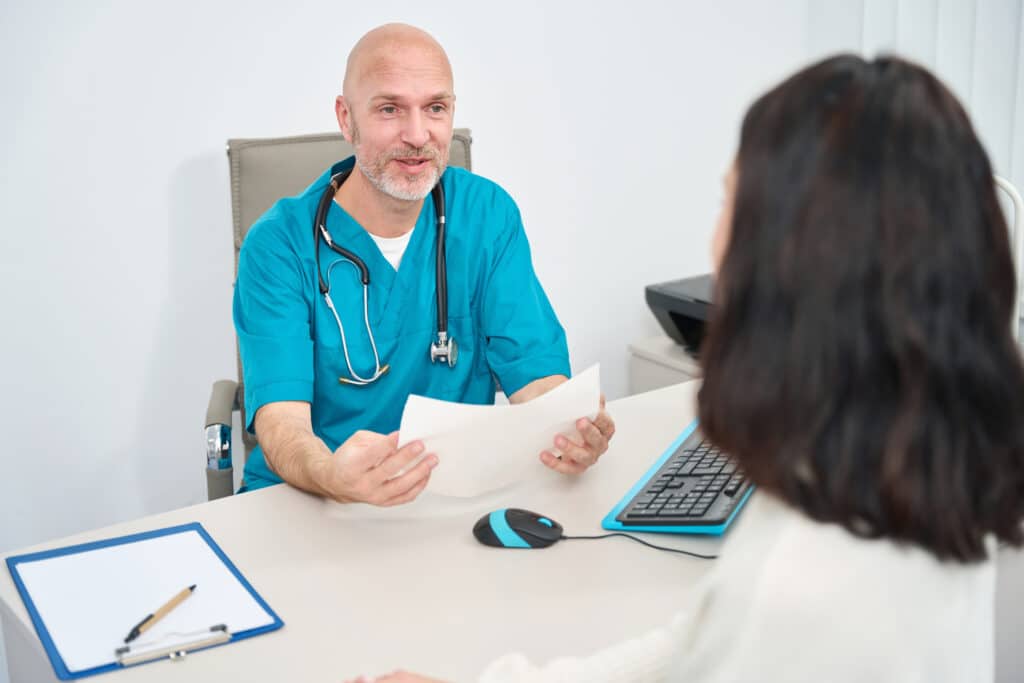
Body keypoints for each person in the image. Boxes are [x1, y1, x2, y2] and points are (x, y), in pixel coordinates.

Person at [350, 54, 1024, 681]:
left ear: (804, 254)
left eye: (733, 202)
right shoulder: (910, 470)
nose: (715, 237)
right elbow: (696, 647)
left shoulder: (812, 584)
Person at [233, 23, 615, 503]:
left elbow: (534, 373)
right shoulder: (279, 245)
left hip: (447, 495)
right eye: (390, 109)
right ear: (346, 118)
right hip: (311, 501)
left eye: (435, 108)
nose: (417, 136)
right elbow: (281, 423)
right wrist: (333, 478)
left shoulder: (486, 215)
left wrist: (568, 431)